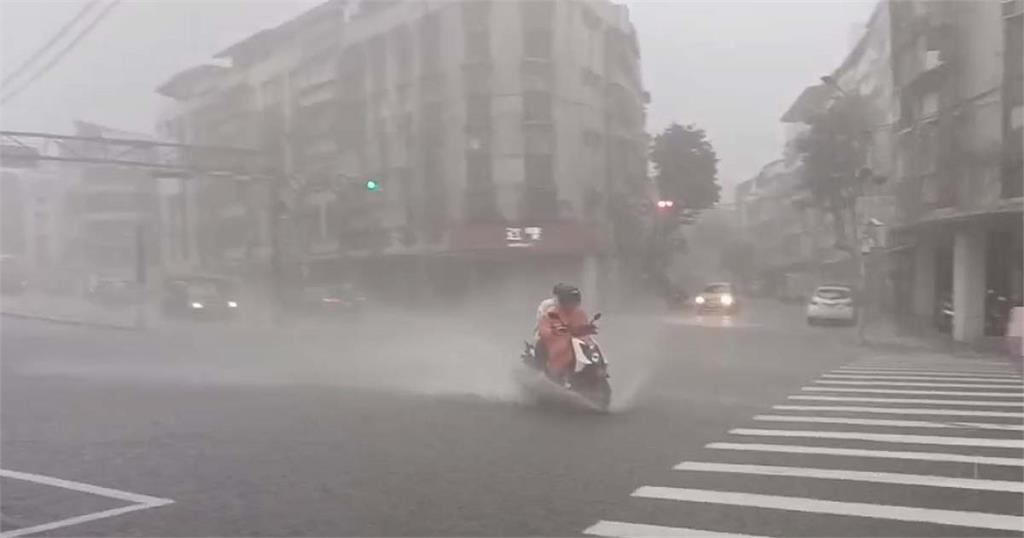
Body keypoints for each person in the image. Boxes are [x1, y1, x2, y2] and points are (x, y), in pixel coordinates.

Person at [537, 283, 593, 385]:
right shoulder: (550, 312)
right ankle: (553, 374)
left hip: (575, 342)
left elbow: (583, 328)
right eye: (569, 302)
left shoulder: (580, 313)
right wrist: (555, 333)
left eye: (574, 302)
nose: (572, 305)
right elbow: (544, 330)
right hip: (555, 341)